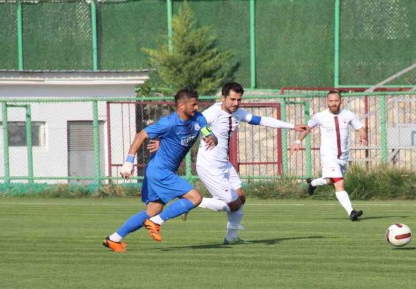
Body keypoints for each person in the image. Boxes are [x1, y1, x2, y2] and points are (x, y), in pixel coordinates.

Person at [148, 82, 308, 244]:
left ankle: (231, 238)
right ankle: (191, 203)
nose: (236, 103)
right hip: (209, 166)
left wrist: (292, 126)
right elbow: (186, 125)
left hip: (224, 164)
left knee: (241, 198)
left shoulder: (237, 112)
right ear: (223, 98)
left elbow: (260, 120)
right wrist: (162, 140)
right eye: (232, 99)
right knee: (234, 204)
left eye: (239, 100)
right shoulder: (212, 113)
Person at [103, 87, 217, 252]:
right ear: (182, 106)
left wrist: (212, 138)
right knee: (195, 198)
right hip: (160, 171)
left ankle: (114, 239)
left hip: (160, 171)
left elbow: (208, 132)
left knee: (153, 210)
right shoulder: (168, 123)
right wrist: (129, 162)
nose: (197, 107)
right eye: (193, 104)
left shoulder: (198, 118)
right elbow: (141, 135)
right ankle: (156, 222)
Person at [294, 90, 368, 221]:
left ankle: (312, 183)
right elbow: (307, 128)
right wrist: (298, 141)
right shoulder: (320, 116)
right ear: (327, 102)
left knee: (330, 181)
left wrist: (363, 137)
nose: (333, 103)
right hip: (328, 155)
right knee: (339, 183)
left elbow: (360, 128)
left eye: (336, 101)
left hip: (343, 156)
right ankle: (351, 212)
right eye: (331, 101)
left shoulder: (348, 115)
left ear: (341, 101)